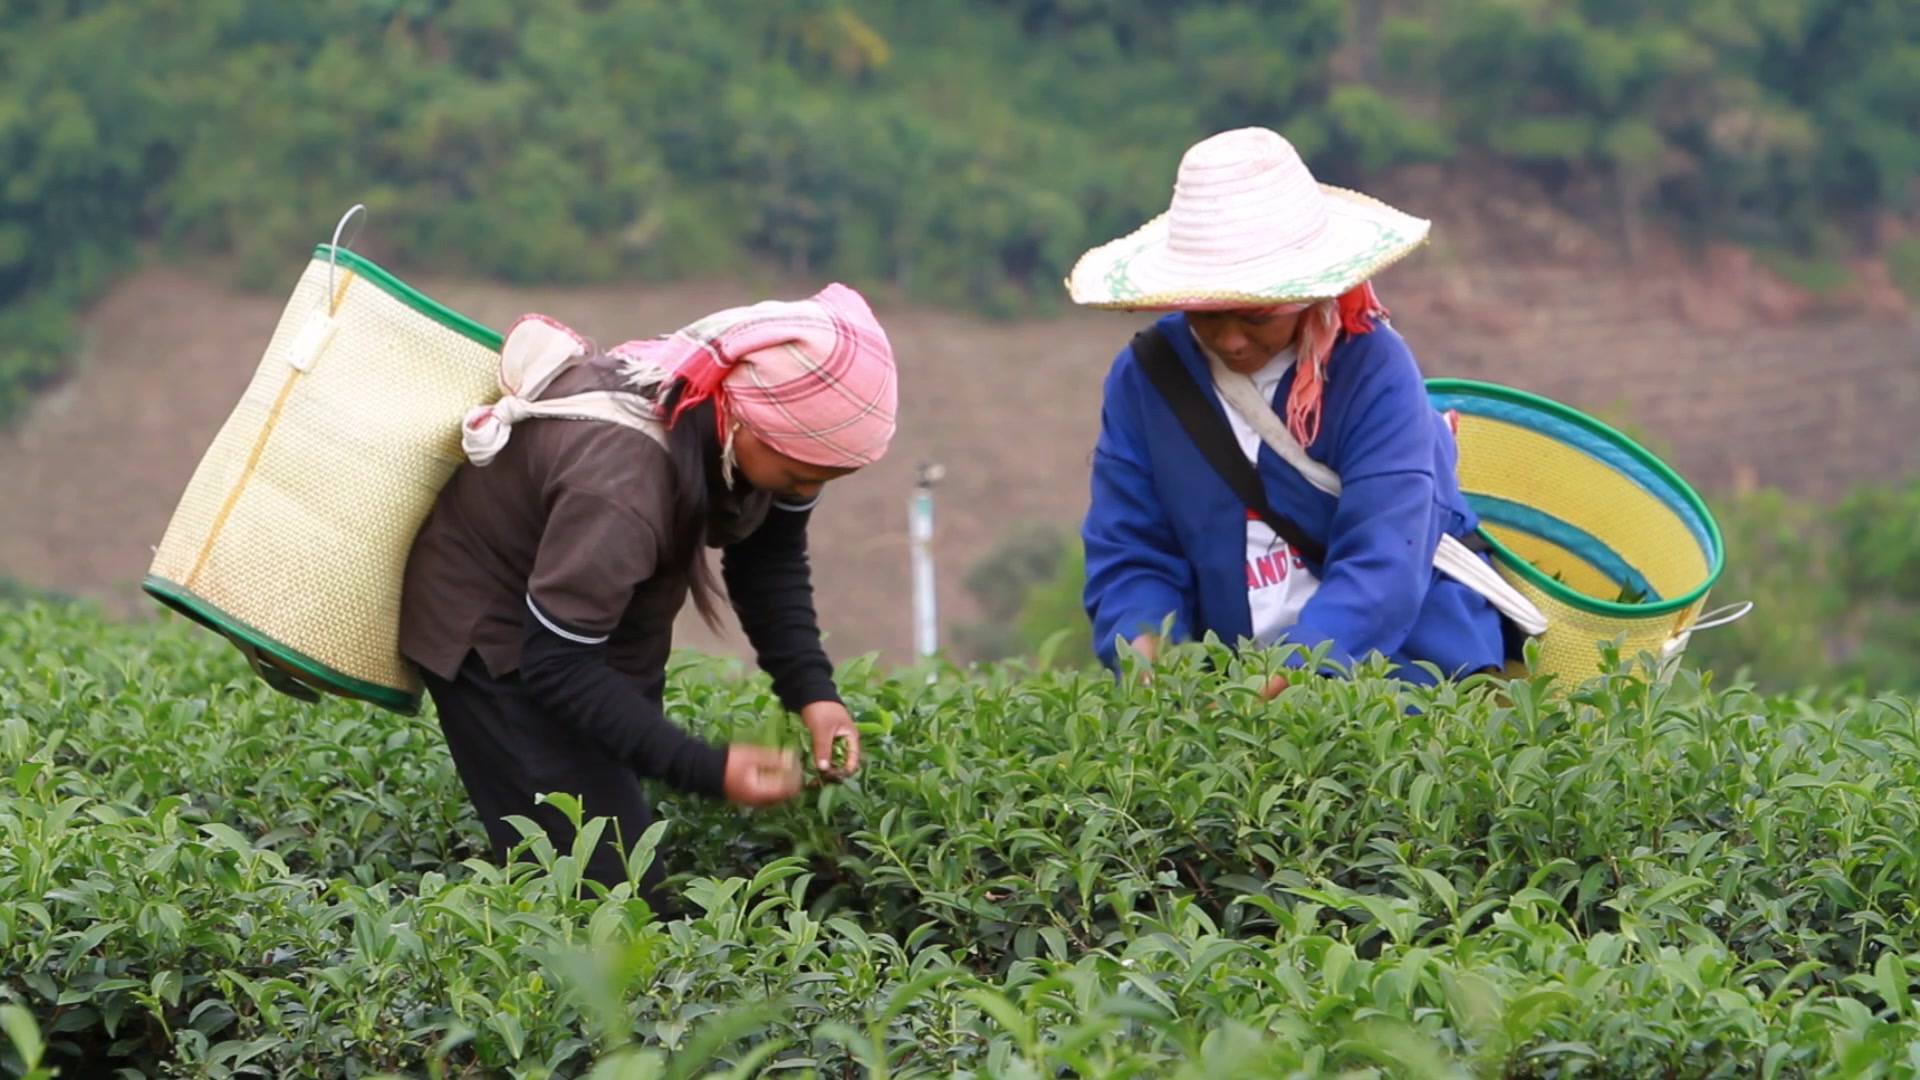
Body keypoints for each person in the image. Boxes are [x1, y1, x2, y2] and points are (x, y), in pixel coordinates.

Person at [396, 283, 897, 907]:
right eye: (798, 474)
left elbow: (768, 557)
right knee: (607, 897)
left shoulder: (737, 428)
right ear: (742, 418)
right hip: (498, 643)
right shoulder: (622, 486)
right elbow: (558, 667)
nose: (806, 487)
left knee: (614, 835)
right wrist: (708, 769)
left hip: (591, 623)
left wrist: (814, 695)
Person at [1066, 126, 1518, 691]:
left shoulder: (1372, 369)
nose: (1231, 340)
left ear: (1309, 291)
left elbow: (1382, 567)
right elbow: (1132, 551)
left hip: (1402, 674)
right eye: (1209, 314)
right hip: (1231, 685)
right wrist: (1153, 675)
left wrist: (1282, 688)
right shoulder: (1147, 379)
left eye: (1257, 314)